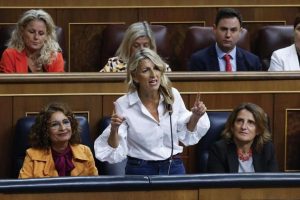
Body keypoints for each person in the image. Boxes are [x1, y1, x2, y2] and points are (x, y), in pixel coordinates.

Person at [94, 48, 210, 175]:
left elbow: (186, 134)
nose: (153, 75)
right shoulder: (124, 104)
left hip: (173, 166)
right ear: (135, 76)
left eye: (156, 68)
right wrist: (114, 129)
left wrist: (196, 117)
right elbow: (113, 150)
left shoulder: (172, 95)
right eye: (145, 70)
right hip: (140, 169)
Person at [19, 102, 98, 178]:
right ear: (45, 130)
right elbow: (23, 188)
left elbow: (96, 187)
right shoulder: (32, 155)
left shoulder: (85, 152)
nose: (63, 128)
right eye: (55, 124)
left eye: (66, 122)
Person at [206, 102, 278, 173]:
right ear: (232, 126)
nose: (243, 127)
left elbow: (274, 181)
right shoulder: (219, 150)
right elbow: (218, 183)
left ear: (258, 130)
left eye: (250, 122)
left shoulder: (267, 149)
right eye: (240, 121)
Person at [188, 8, 261, 71]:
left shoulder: (253, 61)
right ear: (214, 29)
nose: (228, 35)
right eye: (223, 29)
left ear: (240, 32)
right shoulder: (198, 60)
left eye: (233, 30)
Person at [0, 9, 64, 73]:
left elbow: (59, 82)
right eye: (32, 32)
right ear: (22, 31)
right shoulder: (10, 55)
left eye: (41, 33)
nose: (36, 37)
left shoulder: (55, 57)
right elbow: (6, 82)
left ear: (47, 35)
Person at [100, 21, 171, 72]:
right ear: (128, 46)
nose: (142, 49)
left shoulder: (161, 67)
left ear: (151, 46)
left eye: (146, 45)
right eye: (136, 46)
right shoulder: (113, 65)